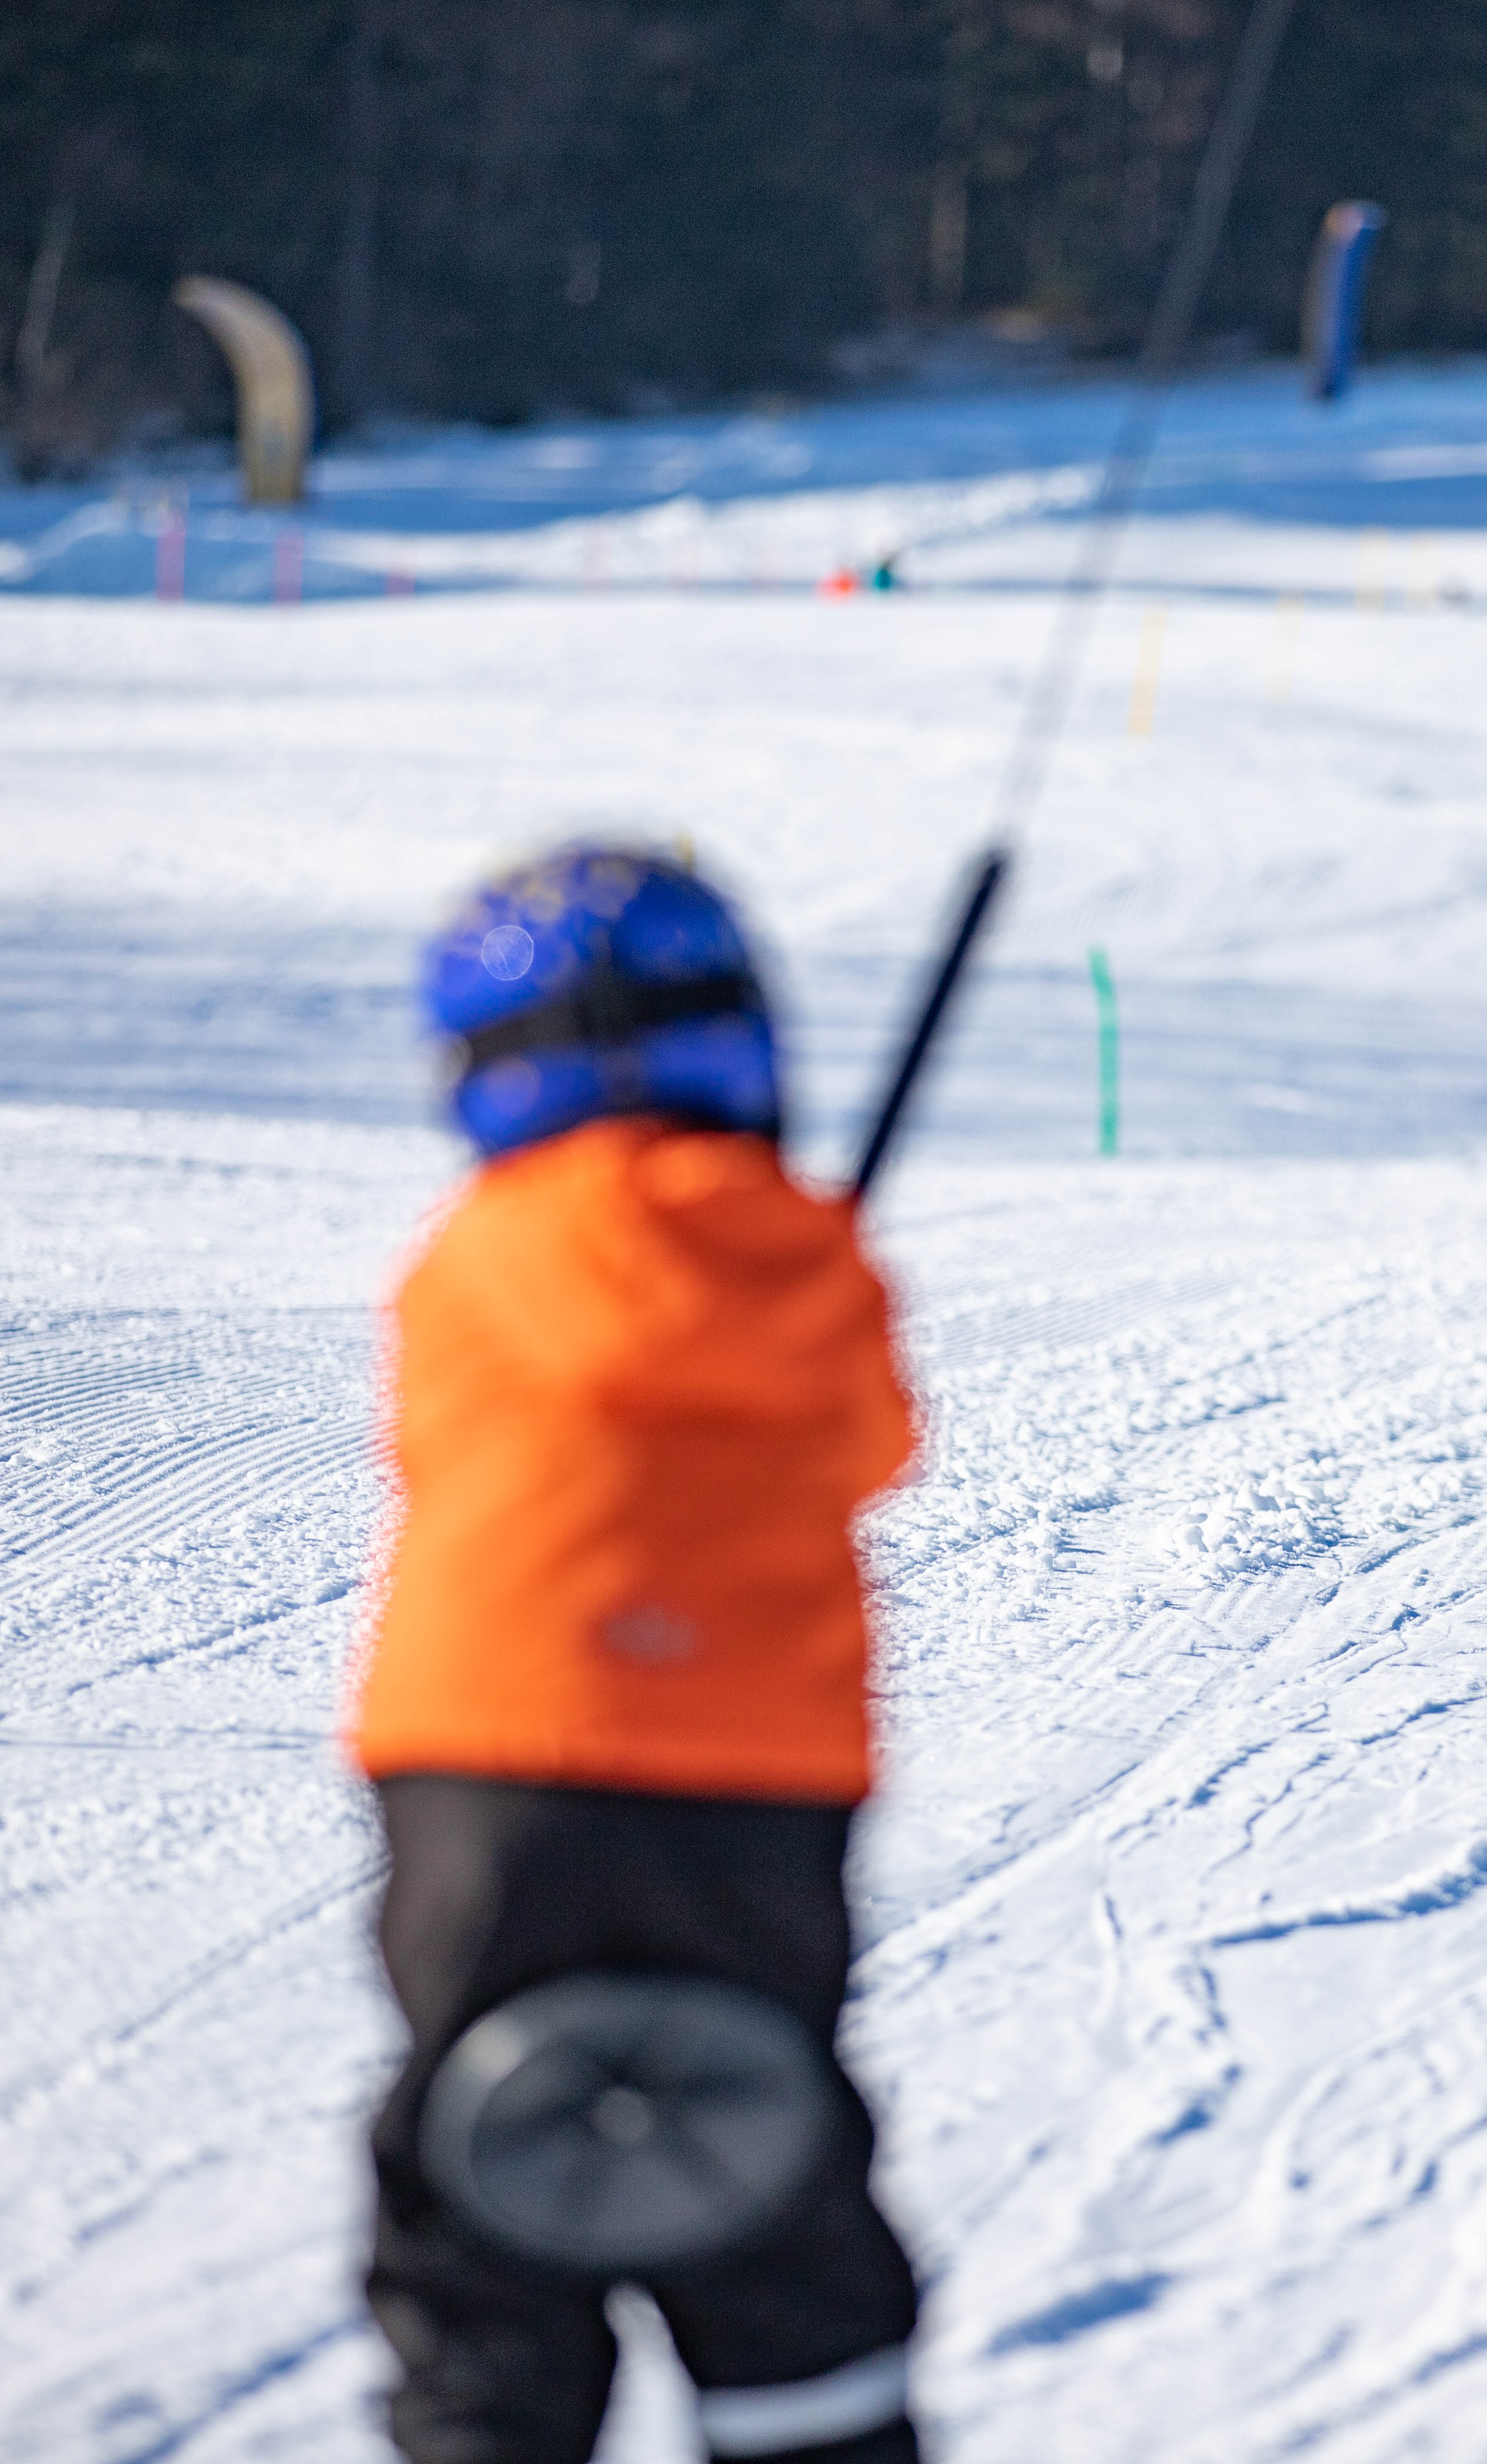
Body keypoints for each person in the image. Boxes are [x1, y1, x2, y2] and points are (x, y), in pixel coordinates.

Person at [351, 846, 926, 2464]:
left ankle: (486, 2413)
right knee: (762, 2148)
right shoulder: (803, 1257)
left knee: (479, 2156)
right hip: (753, 1779)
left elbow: (432, 1446)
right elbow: (872, 1447)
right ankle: (811, 2408)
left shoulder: (470, 1252)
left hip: (482, 1765)